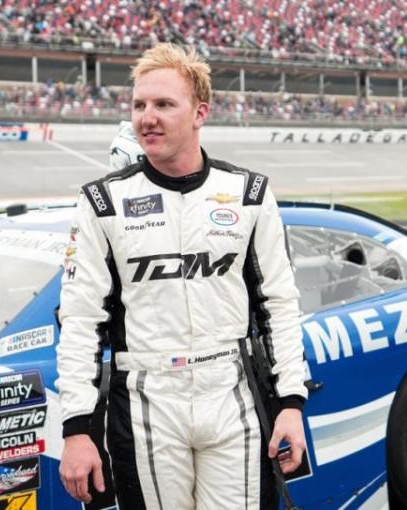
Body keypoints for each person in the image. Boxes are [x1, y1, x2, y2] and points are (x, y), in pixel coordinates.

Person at [56, 43, 308, 510]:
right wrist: (77, 429)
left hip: (231, 393)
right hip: (147, 399)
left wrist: (291, 401)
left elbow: (280, 305)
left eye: (164, 104)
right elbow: (79, 320)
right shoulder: (102, 202)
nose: (147, 117)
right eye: (139, 105)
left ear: (199, 113)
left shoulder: (248, 193)